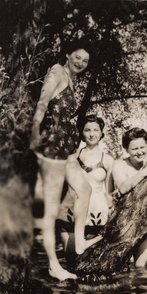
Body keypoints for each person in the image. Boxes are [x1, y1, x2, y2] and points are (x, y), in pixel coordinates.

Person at [31, 39, 96, 281]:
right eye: (78, 57)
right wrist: (35, 135)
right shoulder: (57, 72)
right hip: (52, 145)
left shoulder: (72, 78)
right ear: (67, 54)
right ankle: (53, 265)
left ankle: (79, 240)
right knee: (50, 209)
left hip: (66, 146)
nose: (81, 63)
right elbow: (42, 103)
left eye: (86, 61)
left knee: (85, 189)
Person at [57, 115, 114, 265]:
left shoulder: (107, 159)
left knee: (95, 265)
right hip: (71, 216)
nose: (92, 134)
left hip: (97, 217)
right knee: (72, 262)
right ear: (81, 133)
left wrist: (111, 211)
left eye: (96, 130)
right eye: (87, 130)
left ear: (102, 133)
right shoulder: (73, 157)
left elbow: (108, 192)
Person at [112, 127, 147, 267]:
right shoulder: (119, 165)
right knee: (120, 271)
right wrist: (144, 173)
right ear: (126, 149)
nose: (140, 152)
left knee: (142, 271)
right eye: (135, 149)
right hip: (122, 226)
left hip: (146, 225)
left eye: (142, 147)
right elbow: (123, 187)